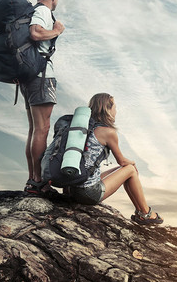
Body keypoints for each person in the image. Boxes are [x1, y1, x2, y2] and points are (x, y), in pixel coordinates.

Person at [64, 93, 164, 225]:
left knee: (124, 170)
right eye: (115, 108)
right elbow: (122, 161)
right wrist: (133, 163)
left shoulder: (82, 129)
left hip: (72, 187)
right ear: (107, 109)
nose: (116, 111)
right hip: (88, 193)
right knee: (130, 169)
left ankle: (141, 212)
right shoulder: (108, 132)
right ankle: (145, 213)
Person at [23, 0, 65, 194]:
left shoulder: (33, 11)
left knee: (35, 129)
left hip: (31, 76)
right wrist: (57, 30)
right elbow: (36, 32)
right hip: (41, 77)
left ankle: (33, 179)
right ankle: (37, 181)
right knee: (42, 129)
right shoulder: (42, 12)